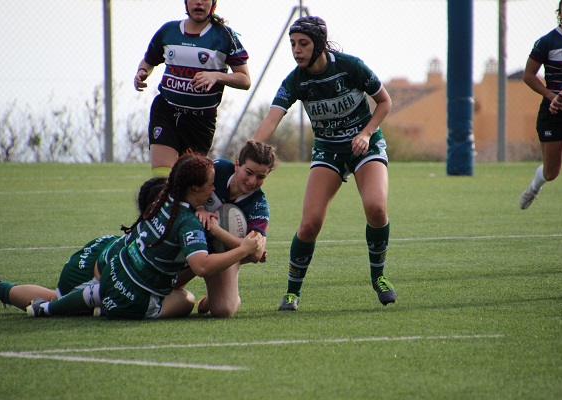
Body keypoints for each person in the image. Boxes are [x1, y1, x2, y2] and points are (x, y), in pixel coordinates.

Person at [252, 16, 395, 311]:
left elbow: (385, 102)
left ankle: (379, 278)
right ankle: (292, 293)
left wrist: (366, 134)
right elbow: (272, 119)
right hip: (328, 151)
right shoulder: (296, 80)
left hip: (365, 146)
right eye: (292, 44)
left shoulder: (350, 66)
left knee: (376, 208)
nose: (296, 50)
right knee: (309, 224)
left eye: (303, 43)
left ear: (319, 43)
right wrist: (248, 155)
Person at [26, 153, 265, 319]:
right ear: (194, 187)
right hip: (135, 294)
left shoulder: (163, 201)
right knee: (186, 299)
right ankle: (106, 310)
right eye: (210, 185)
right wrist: (243, 250)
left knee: (97, 291)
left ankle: (44, 308)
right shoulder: (188, 223)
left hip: (114, 271)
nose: (214, 189)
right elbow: (201, 266)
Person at [0, 177, 167, 311]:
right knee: (54, 300)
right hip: (85, 270)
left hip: (105, 253)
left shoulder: (167, 224)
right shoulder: (164, 230)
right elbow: (169, 283)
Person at [134, 0, 251, 178]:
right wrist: (142, 72)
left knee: (188, 183)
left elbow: (244, 80)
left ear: (213, 5)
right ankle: (160, 203)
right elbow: (149, 61)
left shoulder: (224, 36)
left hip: (200, 120)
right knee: (162, 178)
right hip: (166, 110)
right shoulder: (169, 31)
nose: (199, 2)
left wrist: (216, 76)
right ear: (186, 3)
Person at [175, 140, 276, 317]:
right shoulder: (218, 168)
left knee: (223, 310)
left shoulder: (259, 205)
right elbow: (184, 189)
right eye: (249, 172)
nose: (253, 181)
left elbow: (256, 253)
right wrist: (199, 209)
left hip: (224, 254)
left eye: (261, 177)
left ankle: (217, 297)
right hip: (191, 240)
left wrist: (215, 230)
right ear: (237, 165)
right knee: (167, 288)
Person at [519, 0, 562, 210]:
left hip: (559, 102)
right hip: (554, 112)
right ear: (560, 13)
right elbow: (528, 75)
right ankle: (534, 187)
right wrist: (551, 96)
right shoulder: (547, 41)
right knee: (551, 172)